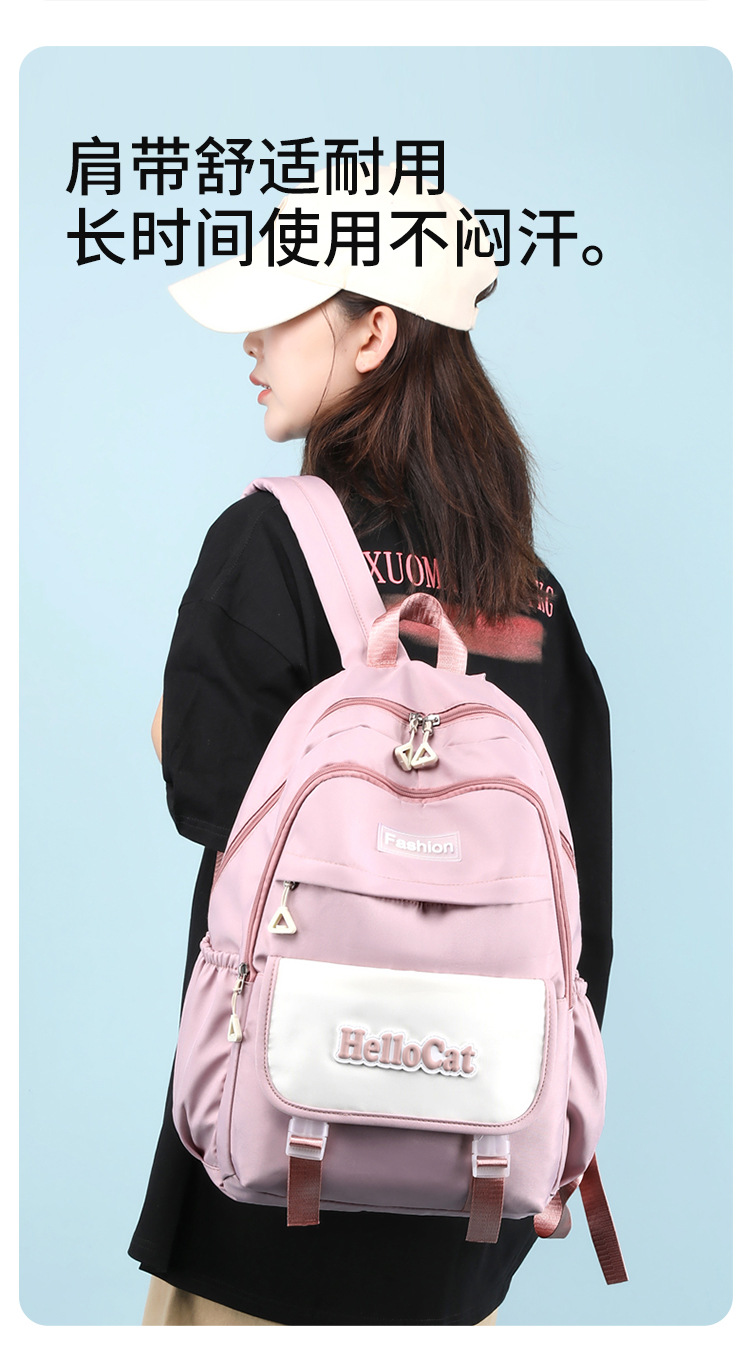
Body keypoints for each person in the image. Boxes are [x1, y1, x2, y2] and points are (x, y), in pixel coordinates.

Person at [128, 163, 613, 1327]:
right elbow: (584, 899)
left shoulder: (268, 543)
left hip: (266, 1191)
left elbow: (207, 794)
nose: (252, 339)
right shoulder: (531, 593)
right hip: (475, 1196)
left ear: (374, 332)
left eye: (280, 308)